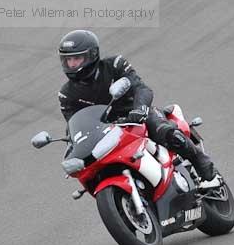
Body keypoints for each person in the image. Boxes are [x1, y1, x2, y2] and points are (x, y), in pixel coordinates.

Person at [57, 30, 220, 187]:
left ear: (91, 55)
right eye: (68, 60)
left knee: (168, 133)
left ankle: (207, 171)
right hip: (107, 133)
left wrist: (140, 109)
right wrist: (74, 148)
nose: (71, 64)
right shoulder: (66, 94)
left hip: (137, 115)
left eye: (76, 58)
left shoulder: (114, 65)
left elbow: (142, 88)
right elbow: (74, 126)